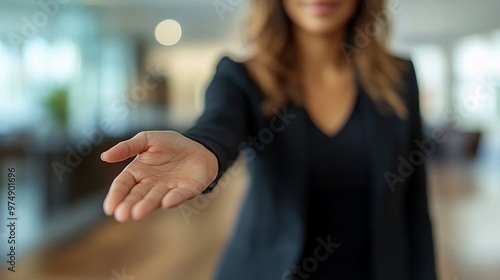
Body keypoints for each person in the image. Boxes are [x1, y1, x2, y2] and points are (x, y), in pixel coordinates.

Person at [100, 0, 437, 279]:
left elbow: (415, 203)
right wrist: (203, 147)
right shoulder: (241, 77)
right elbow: (220, 123)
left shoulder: (401, 77)